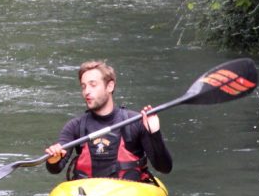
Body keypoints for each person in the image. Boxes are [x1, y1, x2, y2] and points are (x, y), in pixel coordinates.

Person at [44, 60, 173, 182]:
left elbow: (164, 168)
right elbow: (56, 168)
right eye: (83, 86)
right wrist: (54, 159)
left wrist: (154, 133)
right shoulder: (75, 126)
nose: (86, 91)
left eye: (93, 85)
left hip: (128, 195)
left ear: (110, 86)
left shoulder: (134, 122)